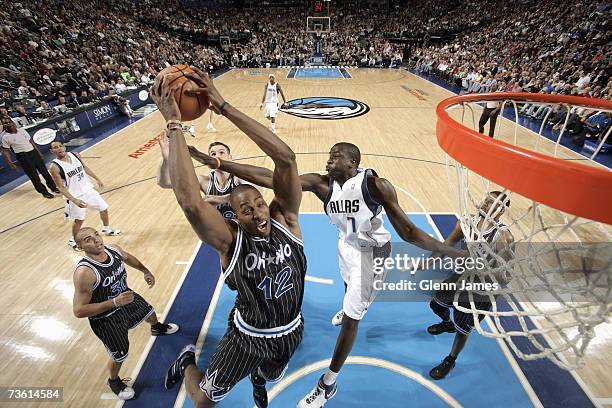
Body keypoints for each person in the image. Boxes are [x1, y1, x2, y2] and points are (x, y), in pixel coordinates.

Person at [189, 142, 465, 408]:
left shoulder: (374, 185)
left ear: (352, 162)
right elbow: (271, 178)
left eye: (335, 156)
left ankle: (327, 385)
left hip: (371, 255)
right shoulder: (323, 184)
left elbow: (408, 231)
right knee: (348, 291)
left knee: (352, 319)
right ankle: (347, 308)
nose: (328, 160)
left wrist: (450, 253)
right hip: (346, 244)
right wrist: (217, 163)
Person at [153, 67, 306, 408]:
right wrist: (175, 125)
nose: (257, 213)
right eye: (247, 211)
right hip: (247, 337)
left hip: (291, 329)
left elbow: (285, 158)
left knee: (270, 374)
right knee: (205, 402)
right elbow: (190, 201)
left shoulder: (287, 221)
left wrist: (222, 105)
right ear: (234, 217)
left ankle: (258, 379)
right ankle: (187, 362)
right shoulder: (230, 242)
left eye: (259, 204)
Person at [72, 227, 179, 400]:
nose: (96, 240)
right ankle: (113, 381)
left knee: (150, 312)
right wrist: (114, 302)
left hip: (124, 297)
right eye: (87, 240)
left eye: (96, 235)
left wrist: (145, 270)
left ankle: (157, 328)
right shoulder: (85, 273)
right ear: (79, 247)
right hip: (105, 317)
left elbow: (128, 258)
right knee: (120, 354)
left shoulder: (113, 249)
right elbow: (78, 310)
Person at [427, 191, 514, 380]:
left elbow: (505, 273)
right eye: (486, 201)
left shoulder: (503, 237)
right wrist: (427, 263)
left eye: (492, 204)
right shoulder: (465, 223)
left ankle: (450, 359)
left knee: (463, 329)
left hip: (481, 288)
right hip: (460, 278)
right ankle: (446, 323)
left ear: (501, 211)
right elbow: (447, 244)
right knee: (435, 304)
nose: (485, 205)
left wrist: (481, 266)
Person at [157, 135, 256, 220]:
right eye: (213, 154)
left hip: (247, 229)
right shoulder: (204, 182)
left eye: (222, 152)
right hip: (222, 233)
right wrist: (166, 158)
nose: (217, 156)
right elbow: (165, 182)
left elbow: (253, 193)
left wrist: (222, 199)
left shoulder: (239, 177)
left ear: (230, 157)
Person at [48, 141, 121, 249]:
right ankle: (73, 240)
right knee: (79, 220)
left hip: (88, 190)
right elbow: (60, 187)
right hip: (75, 196)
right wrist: (74, 200)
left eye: (60, 146)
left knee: (104, 208)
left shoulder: (75, 155)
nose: (59, 149)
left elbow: (84, 168)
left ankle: (106, 229)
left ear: (64, 146)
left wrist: (97, 179)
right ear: (51, 151)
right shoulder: (54, 167)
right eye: (55, 147)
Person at [1, 120, 59, 199]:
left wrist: (38, 152)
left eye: (9, 122)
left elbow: (31, 141)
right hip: (23, 156)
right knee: (34, 176)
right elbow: (5, 151)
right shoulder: (5, 137)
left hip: (33, 152)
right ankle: (44, 192)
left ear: (13, 123)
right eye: (5, 123)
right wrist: (10, 163)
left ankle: (53, 187)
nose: (8, 124)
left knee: (45, 171)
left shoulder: (22, 130)